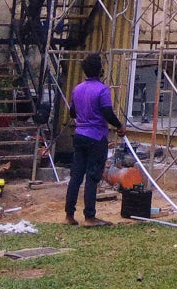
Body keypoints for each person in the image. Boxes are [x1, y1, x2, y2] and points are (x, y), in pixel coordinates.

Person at [64, 54, 126, 227]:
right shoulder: (102, 90)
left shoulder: (77, 89)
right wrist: (120, 126)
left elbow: (73, 113)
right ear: (100, 70)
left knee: (76, 176)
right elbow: (107, 112)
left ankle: (69, 215)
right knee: (92, 177)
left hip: (79, 136)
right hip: (97, 137)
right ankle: (89, 216)